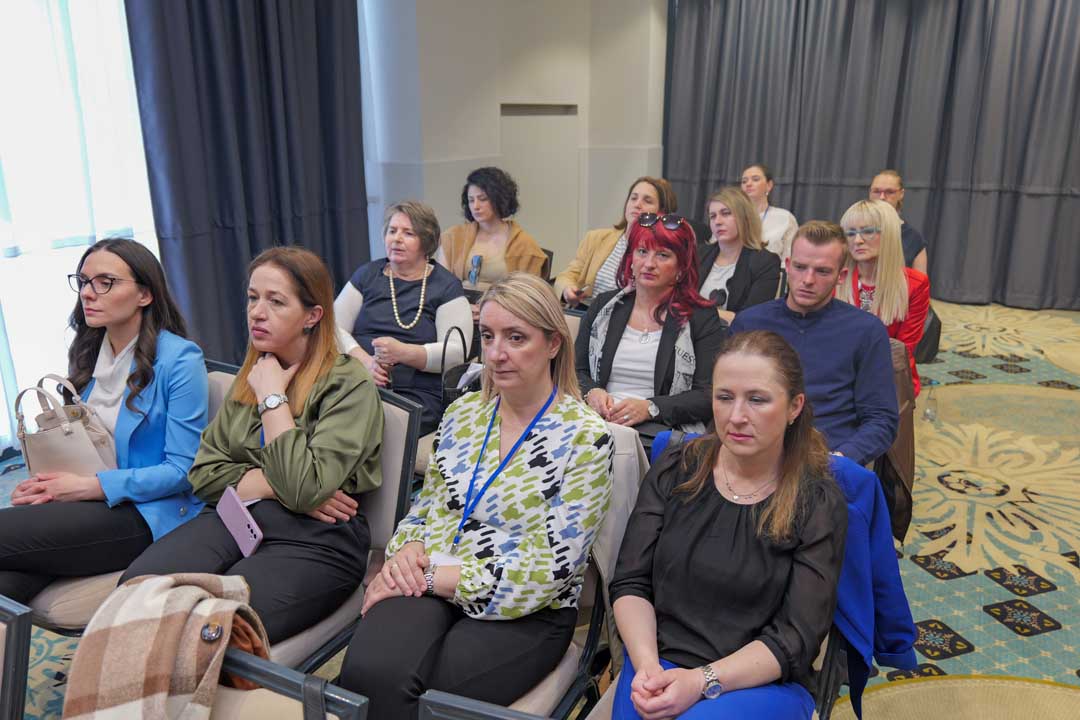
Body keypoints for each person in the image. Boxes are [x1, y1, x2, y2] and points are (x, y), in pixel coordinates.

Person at [338, 273, 613, 718]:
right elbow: (426, 506)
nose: (496, 354)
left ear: (553, 344)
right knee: (367, 673)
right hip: (431, 575)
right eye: (487, 336)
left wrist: (435, 577)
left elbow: (552, 569)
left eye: (516, 337)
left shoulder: (586, 437)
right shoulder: (464, 413)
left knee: (428, 702)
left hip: (527, 607)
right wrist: (406, 550)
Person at [121, 247, 383, 643]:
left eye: (276, 301)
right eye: (252, 297)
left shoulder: (347, 383)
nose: (257, 312)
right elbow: (203, 475)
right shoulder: (256, 372)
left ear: (312, 316)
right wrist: (273, 484)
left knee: (210, 626)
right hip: (236, 516)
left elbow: (301, 490)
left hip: (318, 538)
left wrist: (273, 399)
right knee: (135, 593)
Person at [610, 330, 847, 719]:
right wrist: (647, 667)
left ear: (794, 407)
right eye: (724, 397)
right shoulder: (676, 468)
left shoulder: (815, 502)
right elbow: (631, 582)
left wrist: (700, 681)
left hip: (759, 680)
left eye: (757, 399)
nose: (736, 416)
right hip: (657, 661)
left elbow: (795, 638)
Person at [0, 238, 208, 603]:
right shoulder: (89, 351)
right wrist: (44, 487)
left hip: (145, 513)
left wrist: (87, 487)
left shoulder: (180, 361)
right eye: (83, 281)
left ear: (145, 294)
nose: (87, 293)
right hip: (86, 504)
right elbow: (82, 444)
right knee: (7, 584)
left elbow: (182, 470)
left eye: (105, 282)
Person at [730, 222, 897, 466]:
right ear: (788, 266)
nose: (808, 280)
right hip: (752, 452)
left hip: (827, 458)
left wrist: (840, 460)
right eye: (800, 267)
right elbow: (725, 397)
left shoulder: (866, 331)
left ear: (841, 277)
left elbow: (881, 419)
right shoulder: (750, 322)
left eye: (822, 271)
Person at [577, 213, 726, 445]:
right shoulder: (604, 306)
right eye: (642, 251)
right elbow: (574, 370)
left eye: (663, 255)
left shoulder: (701, 317)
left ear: (681, 266)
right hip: (597, 420)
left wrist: (651, 408)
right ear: (631, 259)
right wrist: (591, 392)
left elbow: (708, 394)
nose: (649, 264)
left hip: (659, 430)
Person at [335, 201, 472, 434]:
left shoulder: (446, 286)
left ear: (426, 241)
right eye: (392, 231)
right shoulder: (367, 275)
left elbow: (456, 353)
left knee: (359, 424)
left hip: (416, 393)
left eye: (408, 233)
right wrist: (364, 361)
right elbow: (333, 327)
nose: (396, 239)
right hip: (357, 379)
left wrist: (403, 352)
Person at [838, 199, 930, 395]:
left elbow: (903, 349)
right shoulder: (836, 278)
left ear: (889, 235)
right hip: (839, 375)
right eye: (850, 233)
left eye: (868, 231)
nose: (857, 240)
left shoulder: (915, 285)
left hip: (889, 379)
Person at [555, 176, 679, 305]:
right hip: (588, 312)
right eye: (633, 198)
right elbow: (567, 276)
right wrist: (567, 290)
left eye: (647, 201)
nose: (637, 205)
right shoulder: (596, 238)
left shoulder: (664, 253)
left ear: (662, 212)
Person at [437, 166, 546, 294]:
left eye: (483, 199)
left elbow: (528, 295)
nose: (475, 206)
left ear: (499, 199)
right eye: (471, 200)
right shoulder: (453, 237)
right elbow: (441, 286)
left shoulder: (523, 244)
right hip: (459, 302)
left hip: (502, 304)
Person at [697, 186, 781, 324]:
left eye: (726, 213)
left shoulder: (765, 262)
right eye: (713, 216)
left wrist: (698, 312)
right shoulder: (699, 254)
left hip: (735, 336)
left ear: (745, 217)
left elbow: (752, 319)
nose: (718, 221)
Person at [869, 169, 928, 274]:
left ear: (901, 194)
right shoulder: (854, 231)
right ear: (870, 193)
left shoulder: (913, 238)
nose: (882, 197)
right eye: (876, 191)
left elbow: (920, 281)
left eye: (889, 192)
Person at [741, 163, 799, 260]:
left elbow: (790, 259)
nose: (748, 184)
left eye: (755, 179)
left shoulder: (785, 218)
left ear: (769, 185)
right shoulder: (731, 217)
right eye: (744, 181)